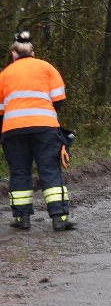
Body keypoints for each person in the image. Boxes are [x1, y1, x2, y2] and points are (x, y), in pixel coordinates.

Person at [0, 31, 74, 231]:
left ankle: (21, 219)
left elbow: (0, 110)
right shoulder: (46, 67)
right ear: (32, 51)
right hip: (45, 128)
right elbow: (59, 98)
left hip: (13, 130)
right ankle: (59, 218)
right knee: (50, 170)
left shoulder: (4, 74)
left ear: (14, 53)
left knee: (19, 172)